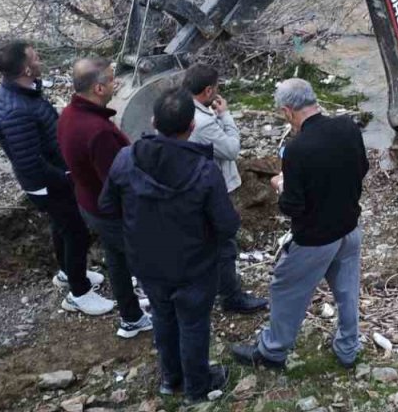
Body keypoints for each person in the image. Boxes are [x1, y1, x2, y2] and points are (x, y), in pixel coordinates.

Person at [100, 87, 235, 403]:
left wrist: (134, 232)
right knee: (193, 323)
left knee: (163, 316)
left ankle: (170, 378)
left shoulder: (126, 159)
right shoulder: (205, 170)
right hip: (194, 266)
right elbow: (227, 225)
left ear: (153, 122)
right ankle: (196, 388)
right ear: (192, 127)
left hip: (147, 263)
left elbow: (106, 206)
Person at [229, 78, 368, 370]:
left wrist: (282, 184)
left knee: (285, 289)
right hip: (349, 228)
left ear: (288, 111)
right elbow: (362, 168)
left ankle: (272, 352)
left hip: (314, 239)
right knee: (347, 292)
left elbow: (292, 207)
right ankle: (348, 348)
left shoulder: (296, 149)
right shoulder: (348, 127)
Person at [0, 41, 114, 316]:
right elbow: (30, 163)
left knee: (62, 228)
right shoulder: (16, 111)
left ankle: (68, 273)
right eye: (35, 57)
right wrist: (68, 177)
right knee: (75, 232)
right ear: (25, 69)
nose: (40, 59)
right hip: (48, 184)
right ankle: (79, 294)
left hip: (53, 179)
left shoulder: (22, 91)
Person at [57, 58, 152, 338]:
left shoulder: (69, 114)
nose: (116, 83)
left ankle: (131, 317)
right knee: (148, 259)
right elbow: (118, 180)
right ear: (98, 88)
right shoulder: (98, 132)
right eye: (111, 79)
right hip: (111, 211)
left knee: (116, 259)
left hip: (90, 202)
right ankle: (158, 313)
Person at [182, 64, 268, 314]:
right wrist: (226, 116)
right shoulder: (202, 122)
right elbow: (231, 150)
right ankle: (231, 296)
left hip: (188, 185)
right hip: (212, 189)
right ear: (209, 91)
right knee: (224, 244)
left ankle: (205, 284)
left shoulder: (178, 107)